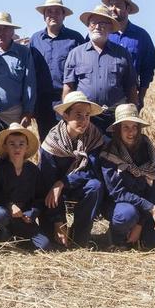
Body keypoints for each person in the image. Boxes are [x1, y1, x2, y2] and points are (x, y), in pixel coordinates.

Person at [39, 91, 105, 247]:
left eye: (87, 115)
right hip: (51, 194)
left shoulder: (93, 136)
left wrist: (63, 182)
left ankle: (80, 234)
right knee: (49, 243)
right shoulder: (52, 143)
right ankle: (56, 226)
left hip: (73, 185)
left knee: (95, 186)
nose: (84, 120)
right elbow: (47, 182)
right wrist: (58, 222)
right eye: (78, 115)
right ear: (66, 116)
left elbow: (92, 170)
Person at [100, 104, 155, 249]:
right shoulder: (109, 153)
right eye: (125, 127)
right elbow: (117, 193)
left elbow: (153, 191)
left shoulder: (150, 152)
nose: (131, 132)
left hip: (145, 207)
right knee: (126, 215)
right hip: (121, 205)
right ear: (118, 130)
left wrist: (140, 224)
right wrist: (150, 208)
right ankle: (117, 236)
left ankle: (137, 233)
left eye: (134, 127)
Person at [63, 5, 137, 133]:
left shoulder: (122, 54)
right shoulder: (75, 54)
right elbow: (68, 87)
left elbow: (131, 87)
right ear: (88, 26)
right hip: (85, 117)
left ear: (110, 27)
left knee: (114, 152)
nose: (97, 27)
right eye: (93, 23)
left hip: (115, 116)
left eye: (102, 23)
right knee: (87, 152)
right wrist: (67, 115)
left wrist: (132, 115)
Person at [0, 123, 51, 251]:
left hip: (23, 218)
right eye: (12, 144)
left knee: (44, 245)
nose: (17, 148)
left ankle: (18, 237)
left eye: (21, 144)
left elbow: (40, 197)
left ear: (27, 147)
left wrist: (33, 212)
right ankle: (3, 232)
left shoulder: (33, 171)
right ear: (5, 147)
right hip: (5, 214)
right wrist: (10, 205)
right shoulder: (0, 170)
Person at [30, 0, 84, 139]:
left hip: (67, 100)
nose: (52, 15)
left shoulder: (75, 38)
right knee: (46, 142)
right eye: (49, 11)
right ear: (44, 16)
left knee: (69, 140)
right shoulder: (35, 39)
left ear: (64, 16)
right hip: (43, 102)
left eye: (57, 12)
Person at [0, 12, 36, 127]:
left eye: (5, 29)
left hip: (13, 112)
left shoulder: (23, 52)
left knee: (12, 144)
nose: (1, 33)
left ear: (12, 31)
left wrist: (28, 111)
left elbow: (29, 84)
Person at [101, 0, 155, 108]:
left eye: (118, 5)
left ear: (128, 9)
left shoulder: (142, 36)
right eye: (111, 5)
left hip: (129, 98)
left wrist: (140, 97)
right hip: (103, 100)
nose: (113, 9)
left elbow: (147, 70)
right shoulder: (100, 32)